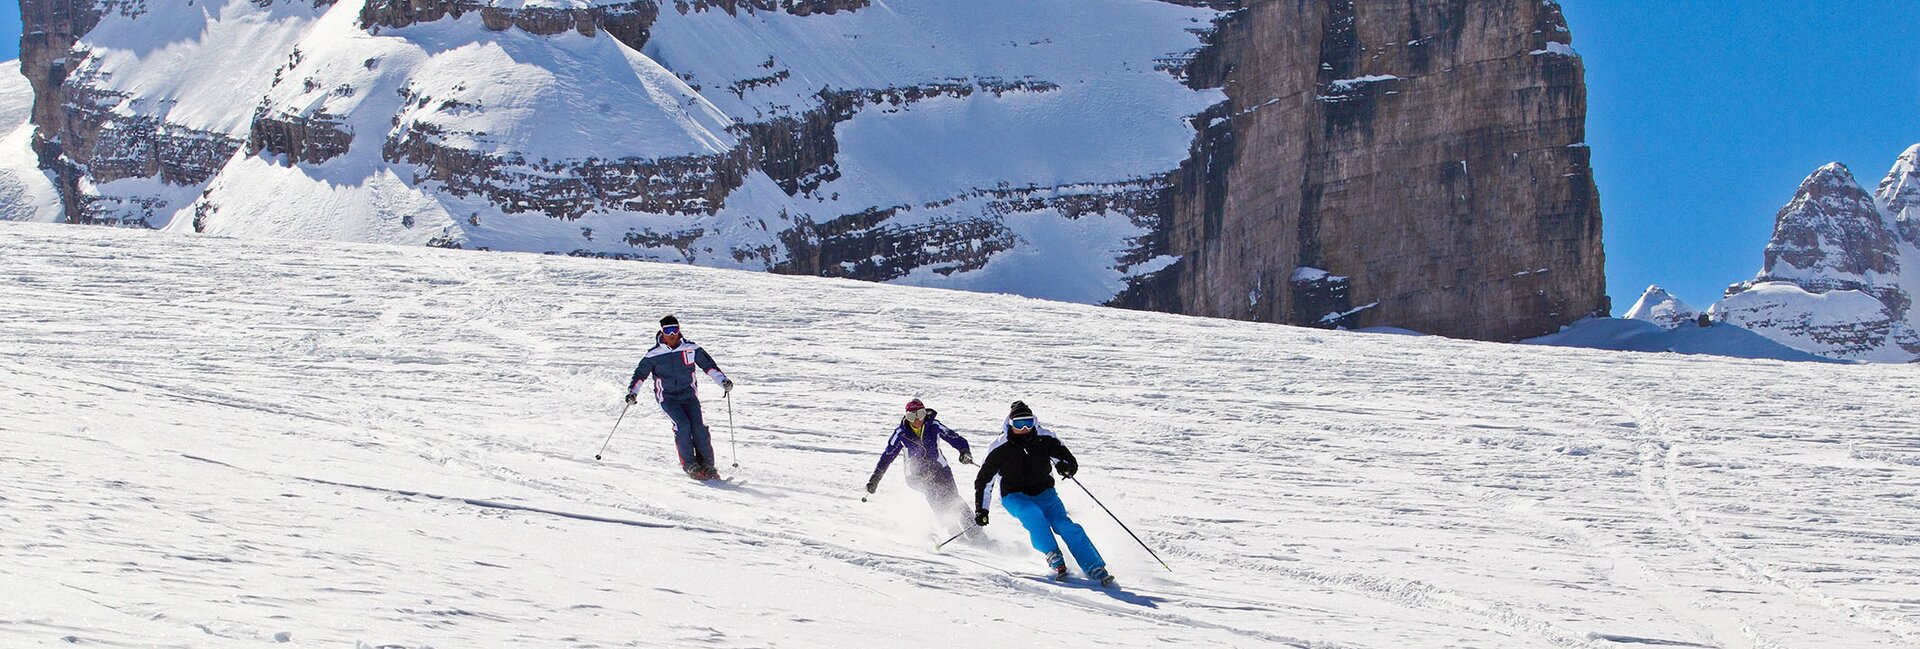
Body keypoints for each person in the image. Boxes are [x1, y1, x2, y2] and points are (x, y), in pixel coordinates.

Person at [971, 401, 1114, 586]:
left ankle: (1094, 566)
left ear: (1034, 422)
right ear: (1009, 423)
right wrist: (981, 509)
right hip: (1014, 496)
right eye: (1019, 424)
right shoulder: (999, 447)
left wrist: (1066, 467)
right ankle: (1053, 554)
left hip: (1044, 492)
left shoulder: (1045, 438)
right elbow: (984, 481)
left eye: (1028, 423)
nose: (1024, 428)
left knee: (1064, 525)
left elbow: (1068, 459)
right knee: (1032, 514)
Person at [626, 315, 734, 480]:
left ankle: (707, 466)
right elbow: (640, 375)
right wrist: (632, 392)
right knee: (683, 425)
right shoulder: (653, 354)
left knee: (698, 427)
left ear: (679, 330)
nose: (672, 334)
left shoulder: (691, 348)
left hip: (689, 395)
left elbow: (708, 366)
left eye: (675, 330)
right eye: (668, 331)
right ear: (662, 332)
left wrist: (723, 381)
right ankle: (690, 465)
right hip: (667, 398)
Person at [866, 398, 975, 531]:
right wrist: (875, 479)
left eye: (921, 414)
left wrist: (964, 451)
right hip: (916, 475)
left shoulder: (934, 425)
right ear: (907, 417)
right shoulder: (901, 434)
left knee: (953, 498)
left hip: (940, 469)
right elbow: (887, 457)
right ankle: (952, 529)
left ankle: (976, 531)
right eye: (912, 416)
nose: (917, 420)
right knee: (933, 493)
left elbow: (955, 438)